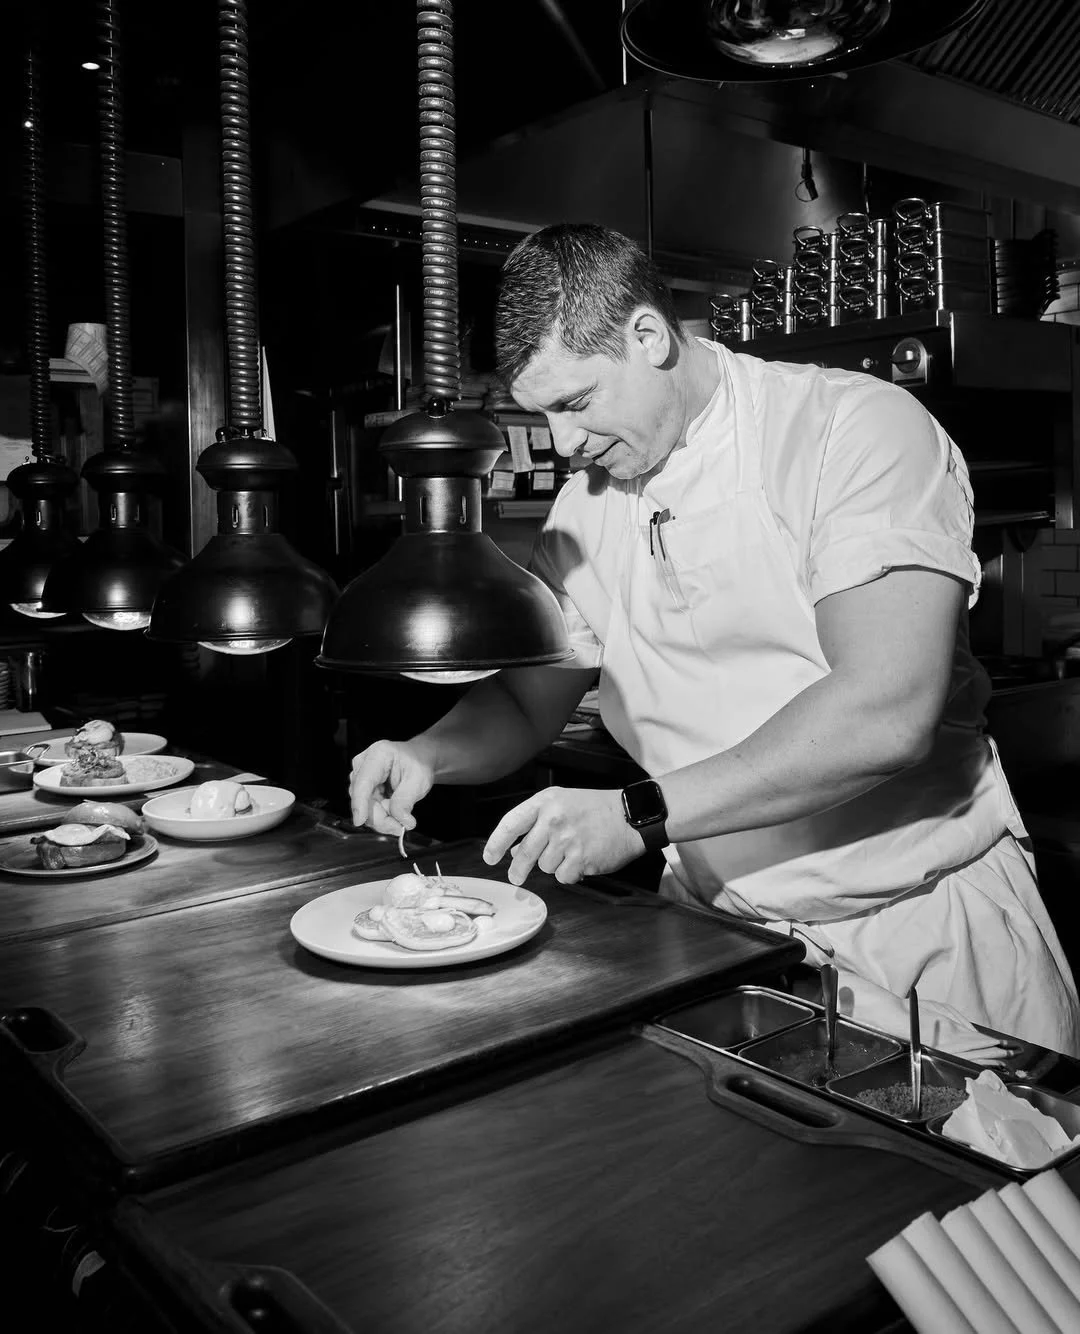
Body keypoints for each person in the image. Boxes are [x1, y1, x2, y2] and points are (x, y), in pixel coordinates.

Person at [350, 222, 1080, 1060]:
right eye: (540, 414)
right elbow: (527, 697)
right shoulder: (587, 505)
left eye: (575, 403)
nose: (563, 444)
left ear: (649, 336)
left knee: (982, 1189)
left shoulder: (852, 430)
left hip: (921, 944)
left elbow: (885, 711)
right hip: (722, 946)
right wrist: (427, 754)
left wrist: (639, 813)